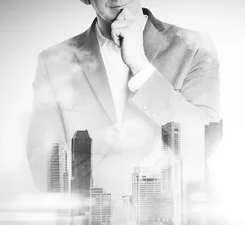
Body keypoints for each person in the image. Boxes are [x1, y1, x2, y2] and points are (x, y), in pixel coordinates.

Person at [27, 0, 221, 198]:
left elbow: (206, 140)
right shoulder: (53, 63)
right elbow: (42, 167)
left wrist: (142, 69)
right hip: (90, 222)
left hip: (178, 221)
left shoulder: (193, 47)